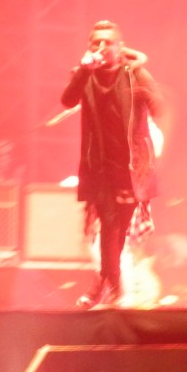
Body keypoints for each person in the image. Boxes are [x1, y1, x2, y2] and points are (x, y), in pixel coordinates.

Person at [60, 20, 164, 309]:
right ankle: (113, 287)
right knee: (109, 224)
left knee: (118, 226)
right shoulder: (85, 75)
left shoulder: (136, 74)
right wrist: (84, 70)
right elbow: (67, 100)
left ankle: (103, 283)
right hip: (99, 166)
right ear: (89, 46)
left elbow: (158, 107)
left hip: (132, 167)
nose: (102, 47)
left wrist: (146, 97)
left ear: (120, 47)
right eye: (97, 42)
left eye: (108, 42)